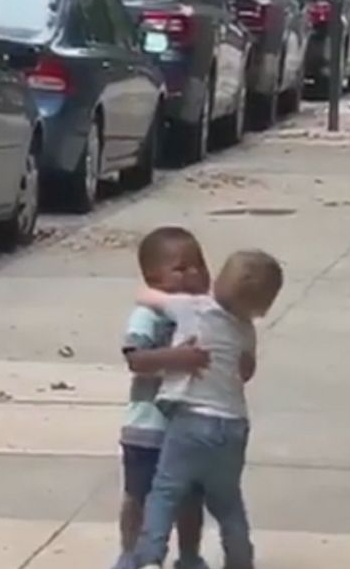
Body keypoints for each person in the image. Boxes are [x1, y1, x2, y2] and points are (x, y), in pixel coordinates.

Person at [132, 250, 284, 569]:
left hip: (190, 419)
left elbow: (146, 297)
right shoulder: (246, 331)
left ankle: (150, 558)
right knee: (228, 503)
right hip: (233, 427)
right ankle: (240, 560)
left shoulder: (195, 308)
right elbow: (246, 372)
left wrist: (155, 289)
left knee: (165, 493)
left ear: (219, 281)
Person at [114, 227, 214, 569]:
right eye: (181, 268)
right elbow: (136, 360)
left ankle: (188, 556)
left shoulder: (206, 315)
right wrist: (178, 359)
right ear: (153, 278)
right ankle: (131, 554)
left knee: (190, 498)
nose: (195, 274)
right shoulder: (148, 315)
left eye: (200, 266)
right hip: (148, 428)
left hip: (190, 427)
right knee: (138, 496)